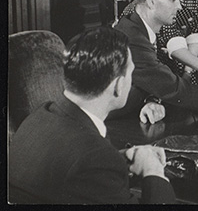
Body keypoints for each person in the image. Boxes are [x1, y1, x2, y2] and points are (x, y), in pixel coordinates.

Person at [9, 27, 175, 204]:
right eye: (131, 73)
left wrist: (121, 158)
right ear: (118, 86)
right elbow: (89, 162)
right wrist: (154, 171)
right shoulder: (96, 158)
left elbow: (73, 168)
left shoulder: (39, 116)